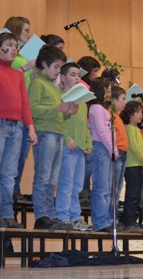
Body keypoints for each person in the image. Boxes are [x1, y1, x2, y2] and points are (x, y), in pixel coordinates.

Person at [0, 32, 37, 228]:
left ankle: (8, 213)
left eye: (15, 46)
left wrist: (30, 127)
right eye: (9, 45)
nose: (13, 49)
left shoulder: (17, 74)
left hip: (16, 127)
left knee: (9, 174)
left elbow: (24, 104)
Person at [28, 45, 78, 230]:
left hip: (56, 134)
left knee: (52, 180)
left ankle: (50, 215)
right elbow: (32, 110)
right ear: (44, 64)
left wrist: (68, 112)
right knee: (43, 177)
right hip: (44, 134)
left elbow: (58, 114)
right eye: (56, 67)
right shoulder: (37, 83)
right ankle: (41, 216)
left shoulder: (53, 87)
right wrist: (57, 109)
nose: (58, 71)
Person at [55, 62, 93, 231]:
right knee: (66, 184)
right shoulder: (60, 99)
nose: (77, 78)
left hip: (79, 150)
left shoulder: (82, 103)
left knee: (77, 186)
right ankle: (63, 217)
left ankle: (75, 217)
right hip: (67, 148)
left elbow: (85, 126)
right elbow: (56, 123)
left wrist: (88, 143)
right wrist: (67, 139)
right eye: (72, 74)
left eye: (78, 75)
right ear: (62, 78)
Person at [4, 16, 36, 201]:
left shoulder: (25, 56)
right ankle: (9, 191)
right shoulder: (12, 57)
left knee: (22, 154)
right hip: (12, 110)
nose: (28, 33)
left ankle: (15, 189)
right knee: (12, 154)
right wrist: (25, 68)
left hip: (26, 109)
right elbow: (5, 78)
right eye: (25, 30)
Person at [88, 77, 117, 232]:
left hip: (105, 148)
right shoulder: (97, 108)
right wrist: (113, 149)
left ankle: (105, 220)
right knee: (101, 187)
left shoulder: (102, 109)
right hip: (101, 148)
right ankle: (100, 222)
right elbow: (102, 131)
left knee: (106, 187)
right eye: (108, 89)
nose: (110, 93)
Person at [119, 101, 143, 233]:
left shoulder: (136, 129)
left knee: (135, 194)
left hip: (136, 165)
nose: (140, 115)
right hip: (132, 165)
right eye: (137, 112)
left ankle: (130, 221)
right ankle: (128, 221)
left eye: (141, 112)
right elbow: (134, 147)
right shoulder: (130, 129)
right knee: (132, 194)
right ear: (130, 114)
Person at [76, 56, 101, 205]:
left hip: (87, 124)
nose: (95, 75)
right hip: (84, 124)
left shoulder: (87, 85)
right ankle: (84, 190)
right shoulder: (83, 85)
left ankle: (85, 189)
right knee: (87, 161)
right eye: (94, 71)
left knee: (88, 161)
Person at [109, 86, 128, 228]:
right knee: (113, 188)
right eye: (123, 99)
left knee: (117, 188)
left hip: (122, 153)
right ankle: (111, 218)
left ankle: (114, 217)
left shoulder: (117, 116)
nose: (125, 102)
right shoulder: (110, 114)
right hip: (116, 153)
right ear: (114, 100)